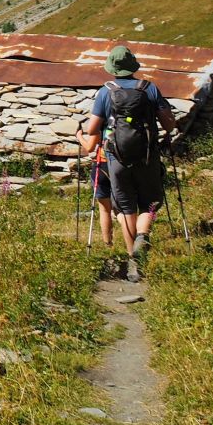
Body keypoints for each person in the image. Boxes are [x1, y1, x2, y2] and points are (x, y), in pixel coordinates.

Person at [82, 45, 177, 281]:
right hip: (147, 158)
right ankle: (143, 235)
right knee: (150, 203)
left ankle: (133, 260)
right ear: (133, 66)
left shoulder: (106, 92)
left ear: (112, 68)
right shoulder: (149, 88)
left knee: (125, 209)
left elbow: (92, 129)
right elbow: (169, 125)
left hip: (116, 159)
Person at [75, 117, 115, 252]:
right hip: (122, 166)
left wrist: (79, 136)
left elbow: (89, 148)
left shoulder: (102, 122)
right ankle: (135, 239)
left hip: (102, 165)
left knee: (104, 209)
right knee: (124, 208)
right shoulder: (125, 121)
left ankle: (108, 244)